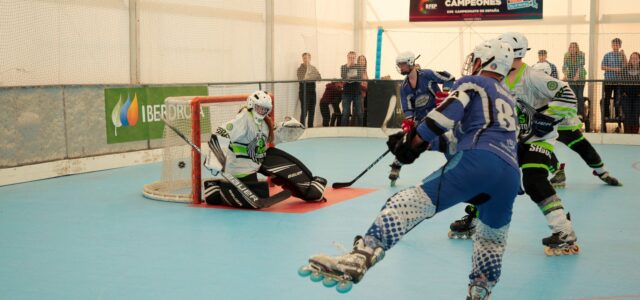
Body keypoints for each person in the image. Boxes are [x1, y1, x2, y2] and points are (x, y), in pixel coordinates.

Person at [300, 39, 519, 300]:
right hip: (510, 176)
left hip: (479, 160)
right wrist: (421, 144)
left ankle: (362, 255)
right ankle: (480, 288)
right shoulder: (508, 98)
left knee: (406, 202)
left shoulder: (474, 83)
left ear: (484, 60)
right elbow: (455, 141)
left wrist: (414, 139)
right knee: (491, 239)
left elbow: (446, 115)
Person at [449, 33, 586, 255]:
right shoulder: (499, 79)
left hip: (539, 140)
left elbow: (568, 96)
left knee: (534, 180)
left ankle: (563, 231)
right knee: (486, 175)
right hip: (511, 139)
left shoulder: (533, 77)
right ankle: (474, 219)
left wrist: (548, 116)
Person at [203, 91, 327, 208]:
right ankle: (215, 191)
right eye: (259, 107)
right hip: (240, 169)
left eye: (265, 109)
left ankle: (308, 188)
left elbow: (266, 140)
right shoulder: (244, 118)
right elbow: (222, 132)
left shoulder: (263, 123)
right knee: (259, 194)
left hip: (257, 163)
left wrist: (282, 129)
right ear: (251, 105)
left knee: (276, 157)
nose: (262, 111)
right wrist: (215, 158)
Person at [388, 51, 455, 185]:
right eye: (399, 65)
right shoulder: (404, 87)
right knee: (409, 143)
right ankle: (396, 165)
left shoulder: (428, 75)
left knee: (449, 142)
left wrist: (445, 94)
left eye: (402, 64)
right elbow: (407, 107)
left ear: (411, 63)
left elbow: (449, 78)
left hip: (437, 116)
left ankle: (454, 168)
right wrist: (408, 121)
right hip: (421, 120)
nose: (400, 67)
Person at [601, 38, 627, 131]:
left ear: (620, 45)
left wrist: (623, 55)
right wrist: (614, 69)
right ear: (612, 45)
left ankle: (617, 116)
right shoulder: (607, 55)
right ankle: (607, 115)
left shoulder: (622, 55)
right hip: (608, 81)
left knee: (617, 100)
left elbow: (625, 66)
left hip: (618, 82)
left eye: (617, 44)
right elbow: (602, 67)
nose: (615, 46)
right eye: (614, 44)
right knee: (607, 99)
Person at [562, 42, 587, 120]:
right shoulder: (566, 55)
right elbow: (565, 66)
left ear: (577, 48)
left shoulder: (581, 54)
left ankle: (580, 114)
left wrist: (577, 75)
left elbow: (580, 65)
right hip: (571, 77)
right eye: (571, 47)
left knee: (580, 96)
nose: (572, 48)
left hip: (581, 77)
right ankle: (574, 113)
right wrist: (565, 75)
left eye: (574, 47)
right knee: (574, 96)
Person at [297, 52, 322, 128]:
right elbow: (301, 79)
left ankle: (311, 128)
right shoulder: (300, 69)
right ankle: (302, 128)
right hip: (304, 93)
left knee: (312, 112)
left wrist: (309, 77)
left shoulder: (313, 68)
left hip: (312, 93)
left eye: (307, 58)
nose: (306, 60)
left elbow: (319, 78)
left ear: (310, 59)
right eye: (304, 58)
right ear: (302, 59)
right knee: (304, 112)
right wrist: (311, 76)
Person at [340, 51, 364, 126]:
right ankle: (343, 131)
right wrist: (348, 68)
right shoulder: (343, 67)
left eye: (353, 58)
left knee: (359, 112)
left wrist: (348, 77)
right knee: (345, 113)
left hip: (357, 93)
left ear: (355, 58)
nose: (351, 59)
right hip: (346, 93)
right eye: (350, 57)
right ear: (347, 58)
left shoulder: (359, 67)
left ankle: (361, 130)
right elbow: (343, 77)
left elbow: (359, 77)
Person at [620, 52, 640, 134]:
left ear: (639, 60)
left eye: (636, 58)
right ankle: (627, 135)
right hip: (626, 96)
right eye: (632, 58)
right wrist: (623, 92)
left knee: (635, 115)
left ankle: (634, 135)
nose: (634, 60)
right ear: (630, 59)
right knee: (627, 115)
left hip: (638, 97)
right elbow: (620, 83)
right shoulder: (625, 69)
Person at [358, 55, 369, 124]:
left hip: (365, 94)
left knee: (363, 111)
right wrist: (365, 89)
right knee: (360, 112)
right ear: (358, 61)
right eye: (361, 60)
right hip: (359, 94)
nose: (362, 61)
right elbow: (358, 84)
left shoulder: (365, 72)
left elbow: (367, 82)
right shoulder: (357, 71)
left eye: (363, 60)